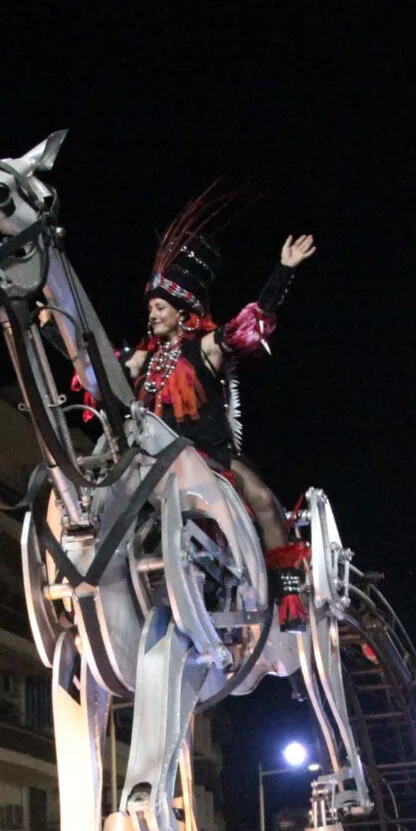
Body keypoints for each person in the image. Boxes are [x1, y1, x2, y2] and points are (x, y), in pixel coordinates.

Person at [124, 199, 320, 629]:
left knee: (264, 501)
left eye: (160, 308)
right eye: (150, 308)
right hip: (157, 458)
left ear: (181, 311)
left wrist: (282, 272)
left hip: (210, 454)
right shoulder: (143, 360)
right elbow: (102, 374)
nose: (152, 314)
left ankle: (288, 595)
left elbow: (253, 323)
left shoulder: (206, 346)